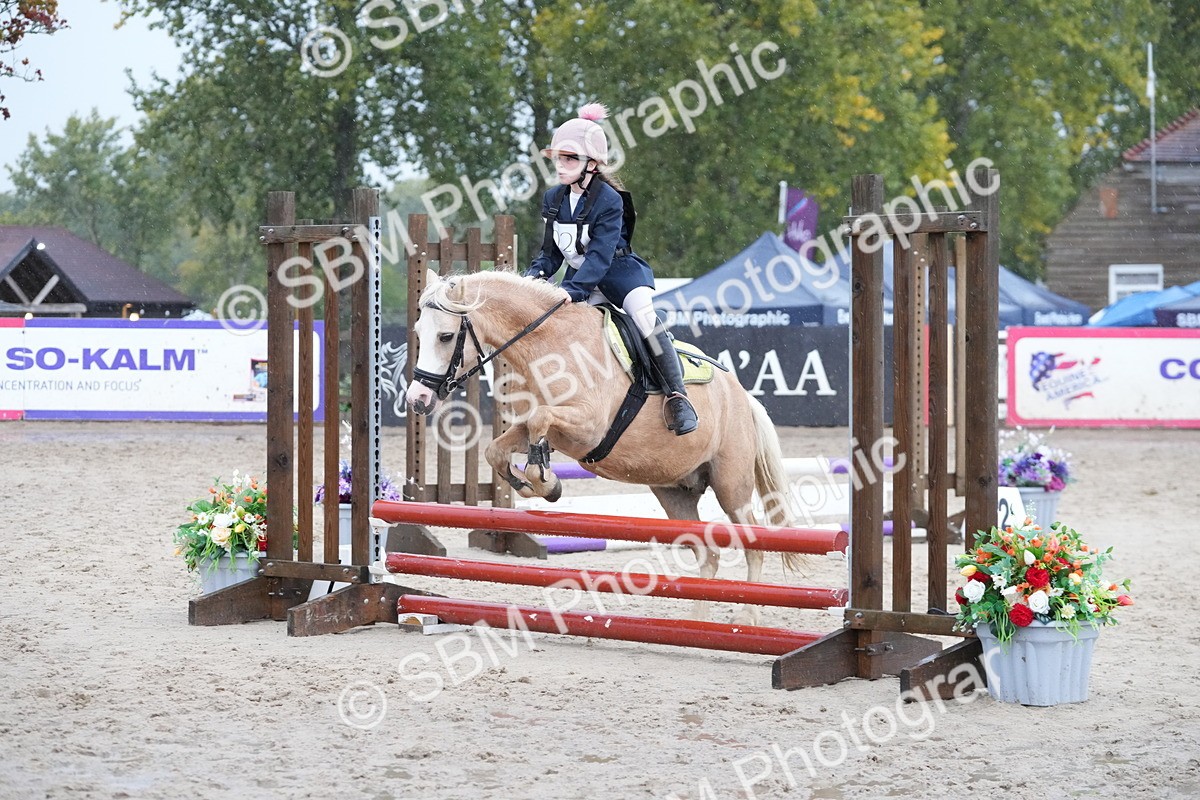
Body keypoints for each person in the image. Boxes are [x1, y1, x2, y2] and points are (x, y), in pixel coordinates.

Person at [524, 103, 698, 436]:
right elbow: (550, 255)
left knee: (644, 316)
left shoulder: (610, 200)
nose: (560, 165)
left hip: (619, 272)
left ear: (591, 164)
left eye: (570, 159)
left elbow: (600, 258)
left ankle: (678, 396)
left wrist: (571, 291)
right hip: (579, 278)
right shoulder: (552, 198)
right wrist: (532, 280)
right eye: (558, 158)